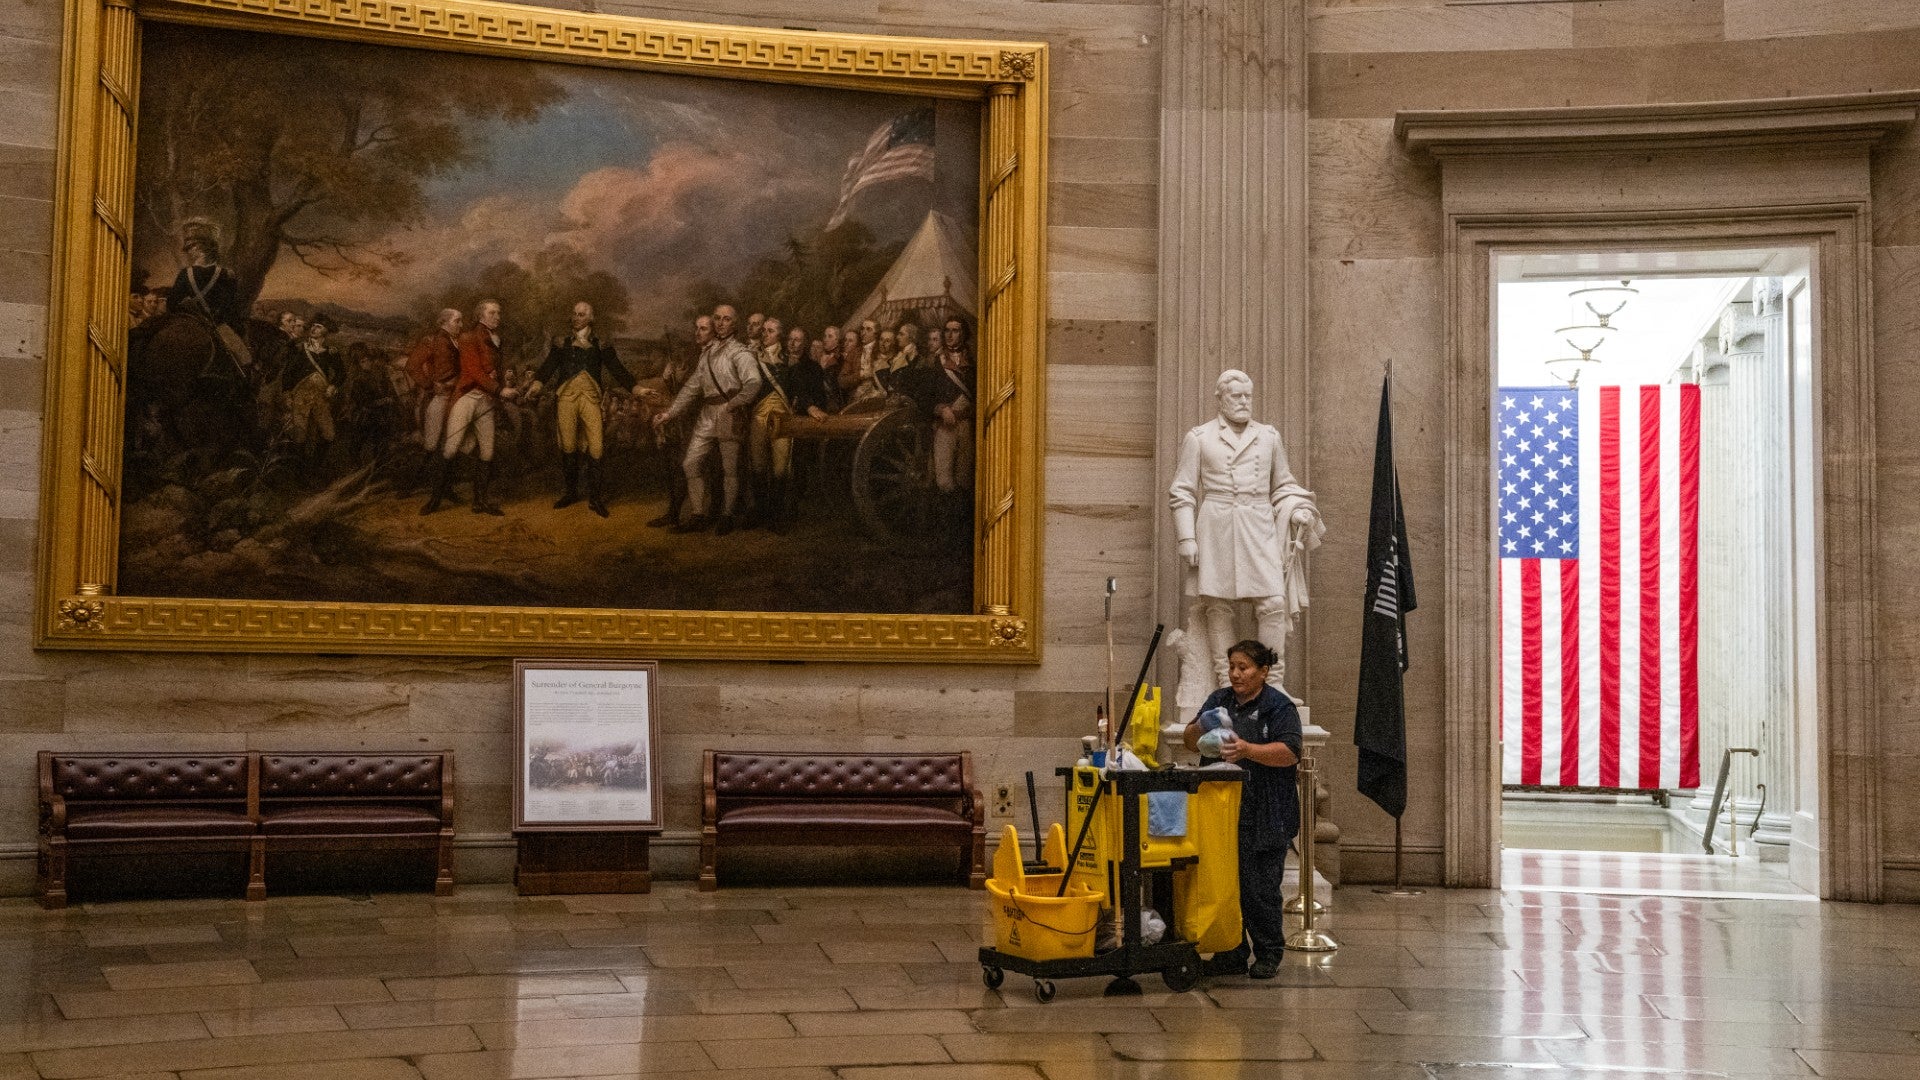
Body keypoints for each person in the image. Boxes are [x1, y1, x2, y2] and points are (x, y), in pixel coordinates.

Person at [1168, 368, 1325, 696]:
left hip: (1258, 526)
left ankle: (1271, 685)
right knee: (1218, 605)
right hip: (1216, 526)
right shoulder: (1199, 438)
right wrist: (1186, 537)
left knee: (1272, 603)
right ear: (1220, 399)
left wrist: (1297, 508)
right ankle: (1227, 682)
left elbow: (1282, 484)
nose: (1243, 402)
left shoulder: (1269, 437)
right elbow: (1182, 491)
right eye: (1236, 396)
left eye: (1247, 396)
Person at [1182, 638, 1300, 981]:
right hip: (1220, 809)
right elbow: (1190, 741)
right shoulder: (1219, 700)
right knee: (1224, 884)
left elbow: (1289, 751)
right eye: (1232, 666)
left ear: (1263, 672)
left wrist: (1248, 749)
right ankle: (1230, 952)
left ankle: (1267, 953)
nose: (1235, 674)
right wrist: (1200, 727)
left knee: (1260, 889)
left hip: (1265, 809)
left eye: (1243, 667)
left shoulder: (1279, 707)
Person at [653, 303, 759, 535]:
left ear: (735, 323)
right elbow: (692, 388)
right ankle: (698, 515)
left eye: (726, 319)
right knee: (690, 463)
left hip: (729, 414)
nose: (721, 323)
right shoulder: (708, 354)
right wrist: (669, 413)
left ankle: (727, 516)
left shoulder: (740, 353)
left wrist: (733, 404)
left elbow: (753, 383)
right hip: (707, 416)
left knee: (730, 470)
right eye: (717, 318)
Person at [526, 301, 635, 516]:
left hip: (591, 398)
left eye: (581, 315)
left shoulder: (601, 344)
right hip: (566, 397)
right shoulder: (561, 342)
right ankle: (571, 492)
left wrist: (636, 387)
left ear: (591, 318)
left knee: (596, 446)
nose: (576, 318)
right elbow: (549, 366)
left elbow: (617, 369)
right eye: (574, 314)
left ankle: (595, 498)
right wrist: (537, 383)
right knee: (568, 445)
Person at [423, 299, 517, 516]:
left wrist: (503, 387)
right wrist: (499, 390)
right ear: (481, 316)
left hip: (487, 400)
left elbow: (497, 370)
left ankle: (480, 502)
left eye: (499, 313)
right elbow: (474, 371)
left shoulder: (497, 340)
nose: (497, 317)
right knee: (450, 448)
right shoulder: (468, 337)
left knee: (487, 451)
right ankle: (435, 500)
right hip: (467, 397)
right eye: (493, 313)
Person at [405, 308, 462, 491]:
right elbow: (412, 366)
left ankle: (447, 489)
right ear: (444, 322)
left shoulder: (460, 342)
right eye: (457, 321)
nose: (461, 325)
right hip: (442, 397)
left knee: (452, 444)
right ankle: (412, 485)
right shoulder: (432, 341)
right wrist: (430, 385)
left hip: (458, 396)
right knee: (431, 445)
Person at [280, 312, 343, 480]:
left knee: (329, 434)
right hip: (300, 396)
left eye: (319, 326)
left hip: (321, 397)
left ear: (326, 332)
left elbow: (341, 373)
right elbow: (288, 373)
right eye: (313, 325)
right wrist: (287, 393)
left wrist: (333, 386)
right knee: (299, 434)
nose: (314, 328)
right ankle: (297, 473)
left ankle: (314, 467)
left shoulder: (331, 352)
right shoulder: (300, 348)